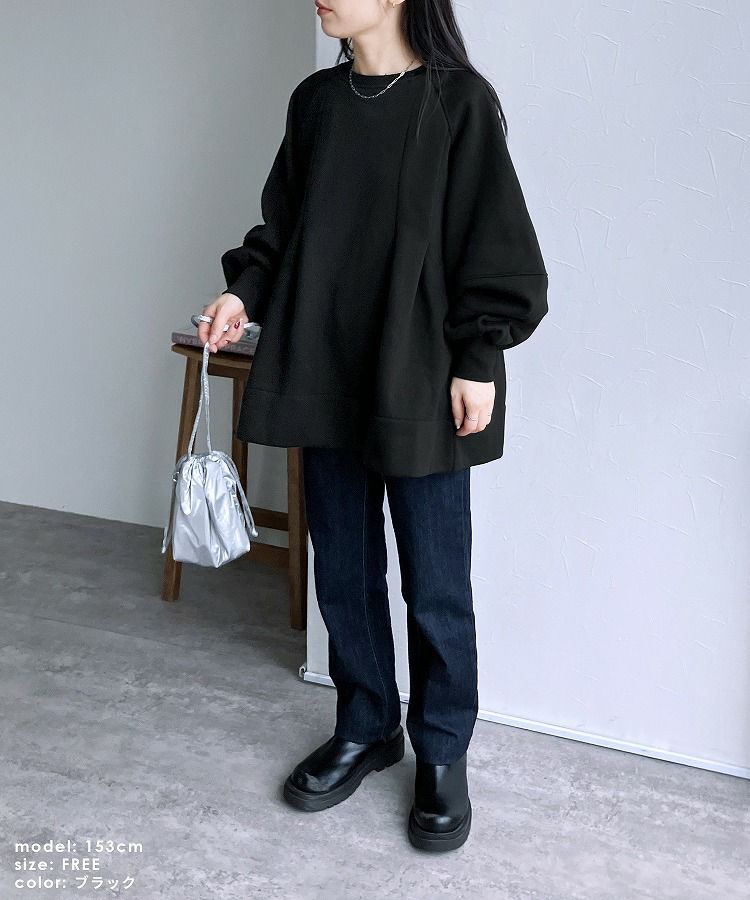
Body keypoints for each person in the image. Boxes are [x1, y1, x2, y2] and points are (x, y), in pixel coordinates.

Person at [198, 0, 548, 853]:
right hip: (325, 365)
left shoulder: (458, 101)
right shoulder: (317, 103)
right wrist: (243, 292)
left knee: (436, 581)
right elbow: (283, 226)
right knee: (345, 568)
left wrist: (478, 357)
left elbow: (495, 242)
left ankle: (442, 750)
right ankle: (365, 723)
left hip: (421, 375)